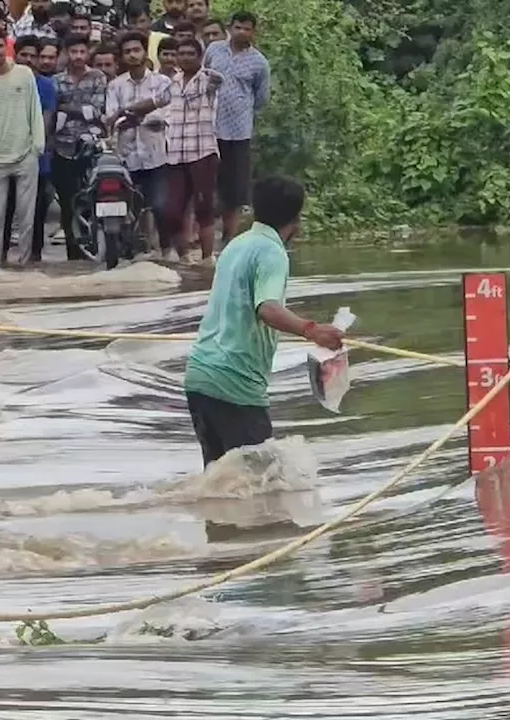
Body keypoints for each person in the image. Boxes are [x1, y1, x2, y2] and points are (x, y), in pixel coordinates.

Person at [183, 177, 345, 466]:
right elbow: (267, 308)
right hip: (234, 385)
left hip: (200, 377)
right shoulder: (272, 253)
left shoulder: (236, 244)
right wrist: (313, 330)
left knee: (223, 488)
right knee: (263, 484)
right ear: (296, 219)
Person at [0, 27, 44, 269]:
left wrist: (37, 145)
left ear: (7, 47)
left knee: (27, 216)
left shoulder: (24, 74)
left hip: (26, 154)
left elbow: (34, 109)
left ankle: (25, 266)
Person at [204, 10, 270, 246]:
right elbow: (202, 77)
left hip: (239, 132)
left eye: (247, 28)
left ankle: (229, 238)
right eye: (238, 27)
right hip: (208, 127)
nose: (241, 32)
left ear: (254, 32)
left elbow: (261, 99)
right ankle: (202, 236)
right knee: (206, 183)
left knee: (234, 189)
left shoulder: (259, 62)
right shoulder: (213, 50)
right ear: (230, 28)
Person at [105, 32, 171, 255]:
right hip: (126, 157)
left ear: (144, 52)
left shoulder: (162, 83)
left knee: (161, 207)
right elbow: (112, 120)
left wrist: (133, 115)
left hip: (156, 156)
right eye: (127, 52)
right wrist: (142, 112)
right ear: (122, 57)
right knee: (126, 208)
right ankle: (130, 252)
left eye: (136, 50)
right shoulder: (115, 86)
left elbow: (163, 118)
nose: (132, 55)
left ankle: (166, 251)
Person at [164, 37, 221, 260]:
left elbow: (218, 79)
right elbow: (157, 101)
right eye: (182, 53)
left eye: (191, 54)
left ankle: (207, 259)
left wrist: (207, 68)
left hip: (202, 152)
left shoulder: (207, 80)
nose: (186, 57)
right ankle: (184, 256)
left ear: (199, 57)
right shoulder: (174, 81)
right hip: (176, 153)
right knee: (172, 210)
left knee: (204, 207)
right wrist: (127, 112)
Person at [53, 32, 106, 260]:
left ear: (88, 53)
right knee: (67, 201)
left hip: (91, 147)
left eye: (82, 52)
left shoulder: (98, 78)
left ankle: (95, 247)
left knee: (92, 197)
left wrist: (67, 109)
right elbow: (54, 111)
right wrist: (81, 111)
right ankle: (73, 254)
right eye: (73, 52)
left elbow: (97, 112)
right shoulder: (57, 80)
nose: (77, 56)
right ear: (66, 54)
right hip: (62, 147)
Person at [21, 36, 58, 262]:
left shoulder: (45, 85)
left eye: (32, 55)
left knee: (37, 207)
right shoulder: (3, 80)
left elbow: (47, 119)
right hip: (6, 153)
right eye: (23, 54)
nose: (28, 59)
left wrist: (34, 145)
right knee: (6, 211)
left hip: (36, 154)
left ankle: (35, 254)